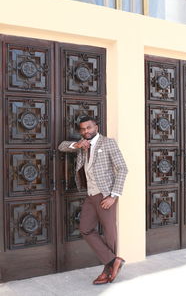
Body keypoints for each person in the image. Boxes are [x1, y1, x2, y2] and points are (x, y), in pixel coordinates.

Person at [58, 116, 128, 284]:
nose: (86, 131)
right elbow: (61, 147)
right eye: (82, 129)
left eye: (88, 128)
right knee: (85, 228)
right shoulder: (83, 143)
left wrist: (113, 196)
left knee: (109, 232)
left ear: (96, 126)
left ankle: (107, 271)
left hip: (105, 195)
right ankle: (113, 261)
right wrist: (77, 144)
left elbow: (123, 169)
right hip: (90, 194)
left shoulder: (108, 143)